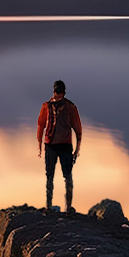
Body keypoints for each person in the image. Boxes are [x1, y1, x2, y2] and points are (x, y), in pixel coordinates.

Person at [37, 79, 82, 215]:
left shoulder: (46, 106)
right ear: (64, 92)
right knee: (67, 176)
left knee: (50, 176)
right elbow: (78, 130)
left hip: (51, 145)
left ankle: (49, 207)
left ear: (54, 91)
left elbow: (41, 125)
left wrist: (39, 145)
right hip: (65, 145)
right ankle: (68, 208)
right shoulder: (70, 106)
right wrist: (77, 150)